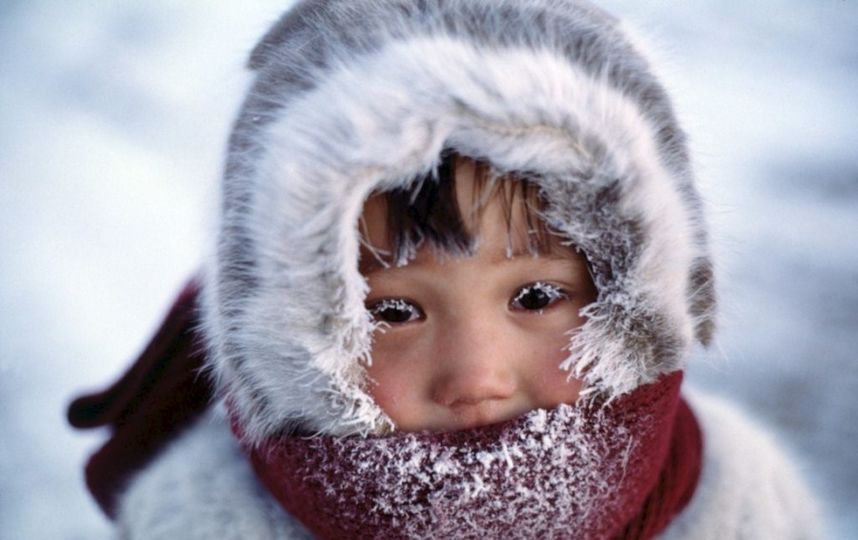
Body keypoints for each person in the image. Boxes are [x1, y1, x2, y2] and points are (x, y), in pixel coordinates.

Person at [68, 1, 822, 538]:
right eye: (392, 312)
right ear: (290, 337)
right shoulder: (202, 517)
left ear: (638, 294)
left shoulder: (735, 501)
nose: (475, 377)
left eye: (534, 295)